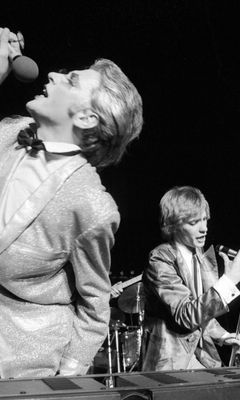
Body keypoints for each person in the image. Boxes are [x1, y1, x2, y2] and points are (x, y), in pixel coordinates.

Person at [0, 27, 143, 378]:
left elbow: (95, 306)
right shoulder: (7, 133)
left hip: (22, 365)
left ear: (87, 118)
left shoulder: (93, 206)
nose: (53, 74)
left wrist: (67, 380)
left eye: (72, 80)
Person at [141, 186, 240, 371]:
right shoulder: (160, 258)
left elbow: (202, 311)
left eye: (205, 219)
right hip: (171, 361)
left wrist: (223, 335)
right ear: (173, 224)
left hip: (202, 357)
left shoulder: (200, 256)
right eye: (194, 222)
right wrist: (228, 281)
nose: (204, 228)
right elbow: (186, 316)